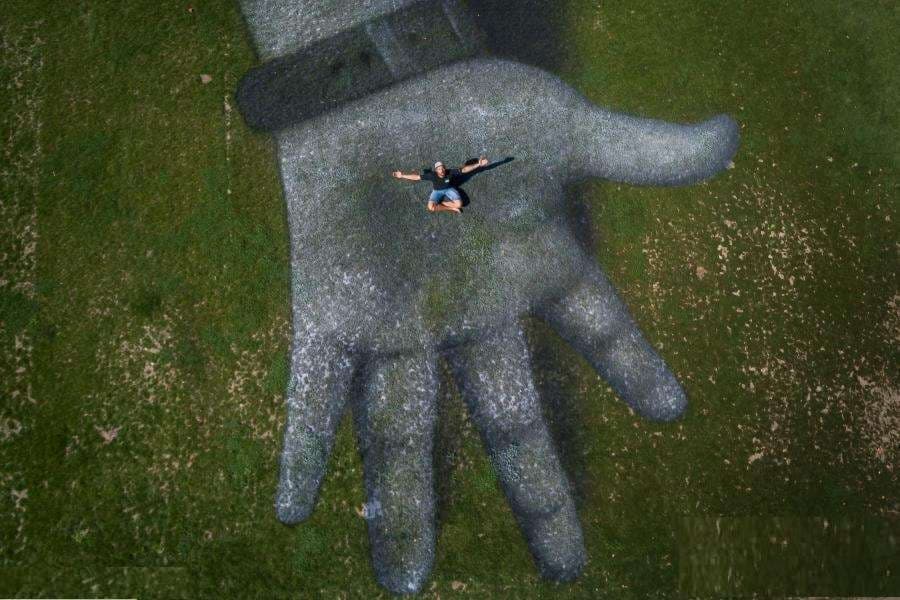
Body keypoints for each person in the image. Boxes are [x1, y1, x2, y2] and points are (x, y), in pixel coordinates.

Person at [392, 157, 489, 213]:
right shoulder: (431, 175)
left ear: (444, 168)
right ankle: (451, 208)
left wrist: (478, 165)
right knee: (431, 207)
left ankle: (443, 204)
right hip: (437, 191)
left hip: (449, 189)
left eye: (443, 168)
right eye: (439, 169)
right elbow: (417, 177)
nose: (441, 170)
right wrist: (402, 175)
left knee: (460, 204)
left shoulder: (449, 172)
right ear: (436, 170)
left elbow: (464, 170)